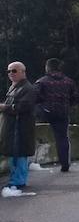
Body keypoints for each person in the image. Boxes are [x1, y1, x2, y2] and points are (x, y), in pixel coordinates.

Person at [35, 58, 78, 172]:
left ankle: (34, 162)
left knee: (37, 132)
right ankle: (65, 163)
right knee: (62, 138)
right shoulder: (69, 82)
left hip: (45, 113)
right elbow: (74, 98)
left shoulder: (42, 82)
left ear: (47, 67)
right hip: (63, 113)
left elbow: (35, 97)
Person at [0, 61, 38, 190]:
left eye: (14, 71)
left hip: (20, 129)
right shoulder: (15, 86)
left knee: (19, 154)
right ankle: (16, 180)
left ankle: (18, 181)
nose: (11, 73)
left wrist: (4, 107)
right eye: (9, 71)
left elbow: (23, 107)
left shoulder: (28, 88)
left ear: (23, 72)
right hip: (12, 129)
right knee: (14, 154)